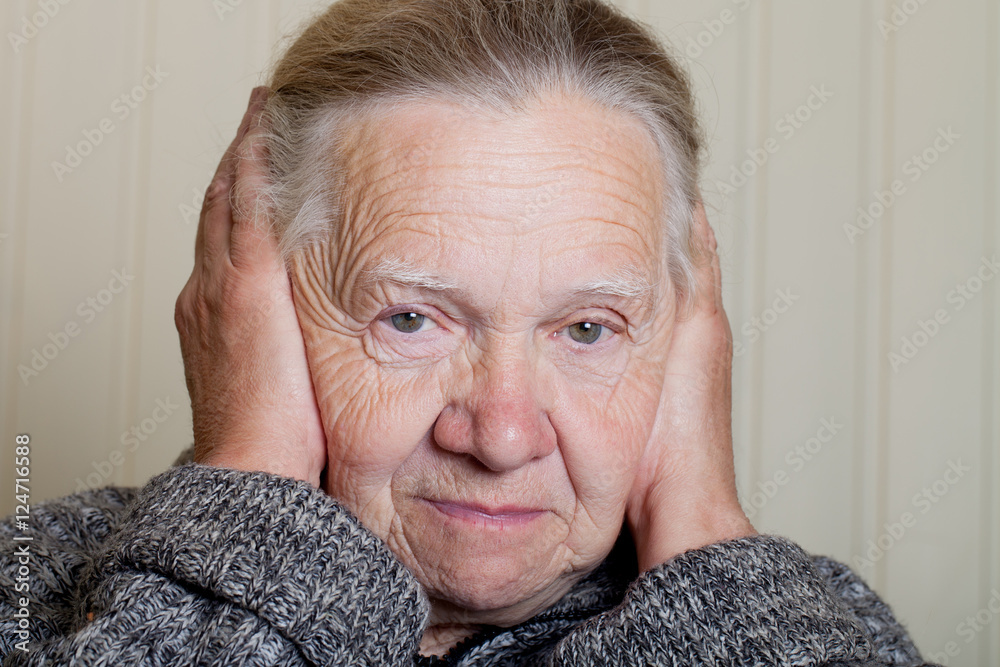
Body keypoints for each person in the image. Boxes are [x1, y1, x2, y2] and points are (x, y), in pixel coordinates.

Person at [1, 0, 939, 664]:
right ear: (252, 318)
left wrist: (705, 545)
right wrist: (250, 482)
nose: (500, 434)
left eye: (587, 329)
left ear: (687, 346)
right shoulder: (34, 583)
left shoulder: (815, 629)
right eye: (411, 317)